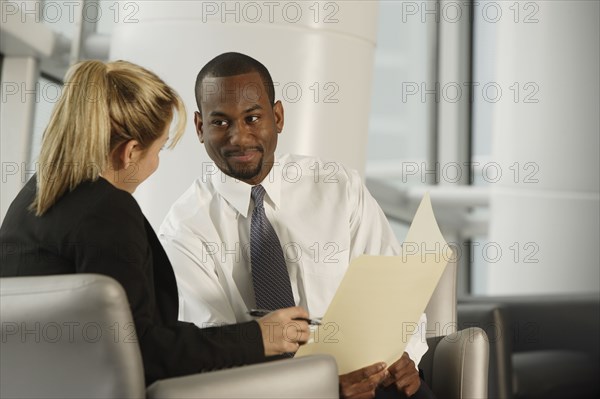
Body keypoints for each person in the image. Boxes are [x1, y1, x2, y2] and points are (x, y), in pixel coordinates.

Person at [0, 59, 310, 386]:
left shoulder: (32, 199)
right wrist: (258, 337)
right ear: (130, 152)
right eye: (159, 149)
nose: (156, 162)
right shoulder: (107, 211)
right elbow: (142, 351)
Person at [159, 52, 435, 398]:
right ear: (200, 128)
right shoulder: (185, 229)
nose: (239, 138)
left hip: (377, 379)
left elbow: (393, 292)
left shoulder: (337, 187)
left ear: (277, 116)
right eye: (221, 123)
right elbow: (213, 351)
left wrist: (405, 358)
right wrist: (317, 388)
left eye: (252, 117)